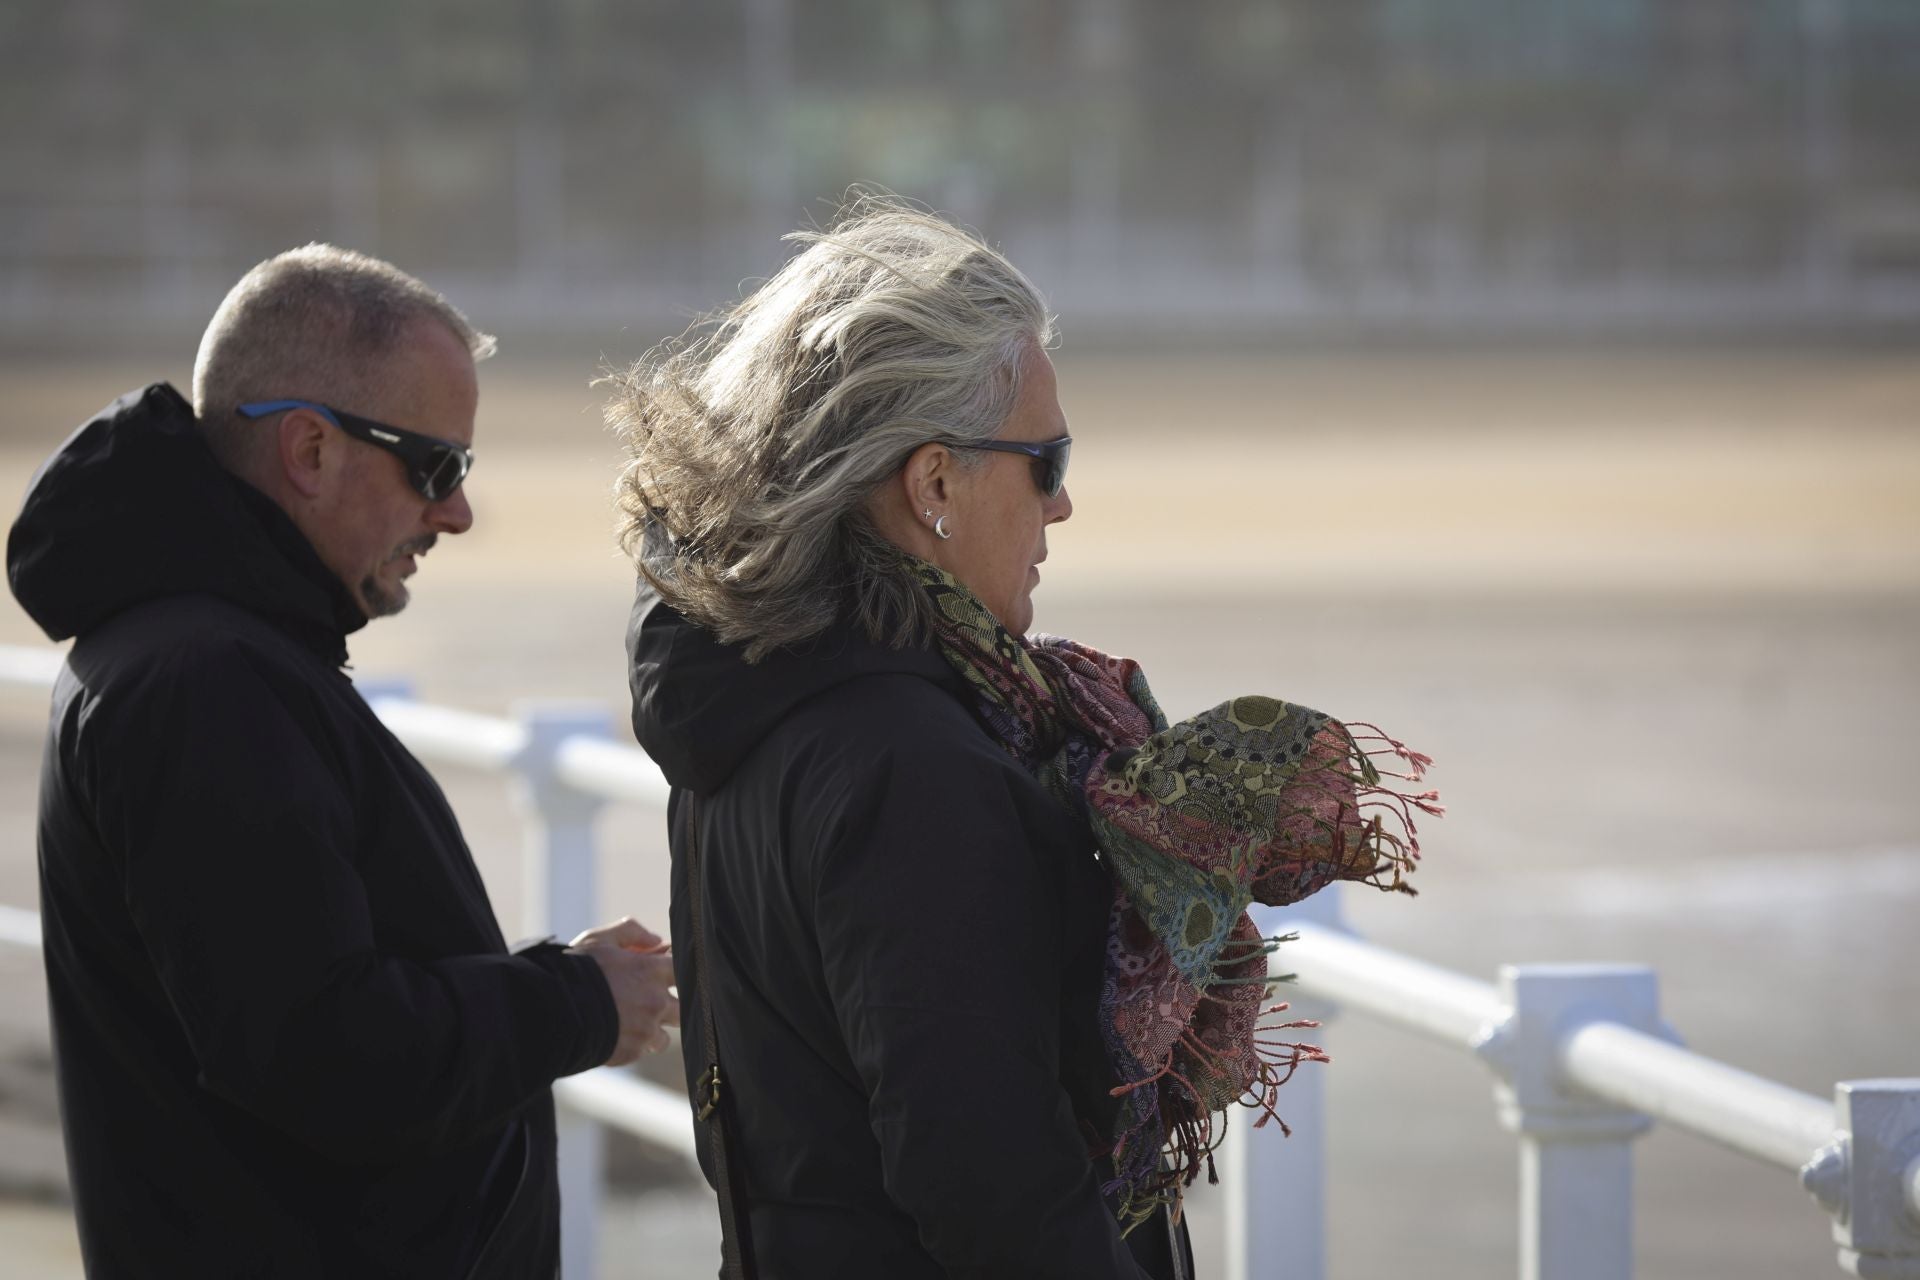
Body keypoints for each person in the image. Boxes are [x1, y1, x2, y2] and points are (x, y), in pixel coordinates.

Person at [612, 200, 1435, 1279]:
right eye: (1044, 459)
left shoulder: (748, 692)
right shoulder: (913, 765)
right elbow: (997, 1186)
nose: (1064, 504)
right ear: (935, 481)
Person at [6, 244, 679, 1279]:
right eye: (437, 467)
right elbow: (323, 1054)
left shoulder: (201, 653)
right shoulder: (205, 683)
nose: (456, 513)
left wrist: (553, 984)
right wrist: (571, 1001)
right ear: (311, 450)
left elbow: (296, 1001)